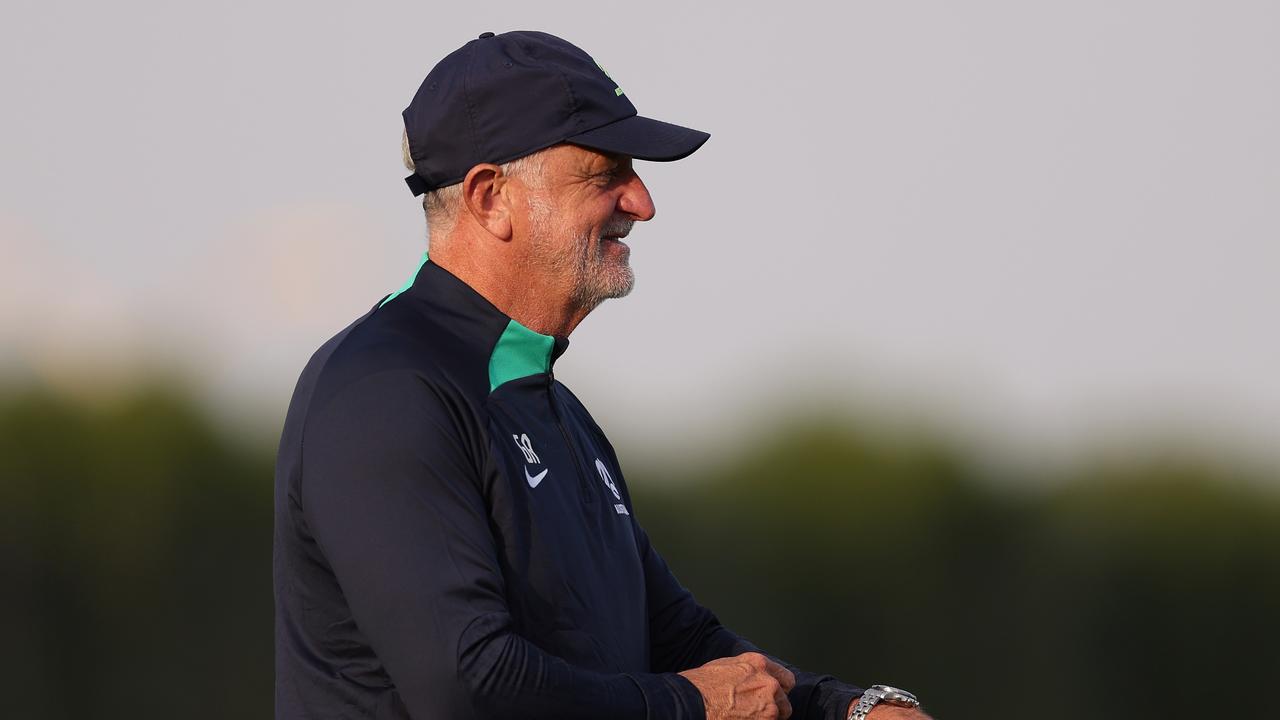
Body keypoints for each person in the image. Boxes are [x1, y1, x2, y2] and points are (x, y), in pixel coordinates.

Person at [274, 30, 932, 720]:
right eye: (604, 173)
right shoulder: (385, 393)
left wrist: (852, 709)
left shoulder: (554, 409)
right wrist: (688, 707)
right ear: (491, 198)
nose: (642, 201)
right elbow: (465, 685)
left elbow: (678, 639)